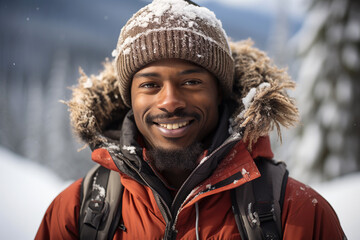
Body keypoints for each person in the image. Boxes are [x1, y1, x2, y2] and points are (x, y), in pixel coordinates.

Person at [36, 0, 346, 239]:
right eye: (149, 84)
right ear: (129, 99)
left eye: (191, 82)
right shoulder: (79, 210)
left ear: (220, 94)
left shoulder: (297, 211)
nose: (170, 101)